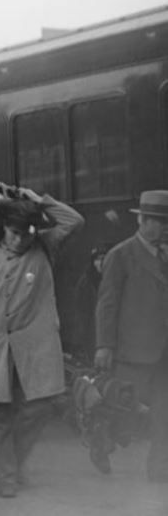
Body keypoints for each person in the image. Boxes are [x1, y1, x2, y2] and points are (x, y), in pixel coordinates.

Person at [0, 188, 84, 498]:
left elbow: (74, 221)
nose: (20, 239)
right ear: (3, 229)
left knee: (41, 404)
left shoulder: (45, 247)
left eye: (27, 233)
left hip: (33, 345)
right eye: (14, 233)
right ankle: (5, 478)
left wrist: (39, 201)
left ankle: (12, 460)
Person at [95, 190, 168, 482]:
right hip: (133, 350)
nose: (166, 229)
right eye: (162, 223)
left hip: (164, 352)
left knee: (165, 411)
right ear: (144, 221)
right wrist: (104, 345)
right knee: (124, 414)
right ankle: (101, 441)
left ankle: (160, 468)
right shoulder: (121, 255)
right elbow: (107, 303)